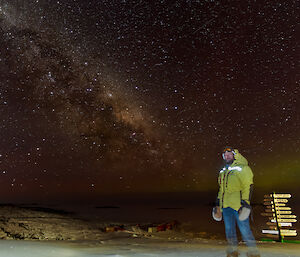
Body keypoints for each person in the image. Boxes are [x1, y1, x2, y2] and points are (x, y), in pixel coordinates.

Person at [213, 147, 260, 257]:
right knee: (229, 230)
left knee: (244, 229)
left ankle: (253, 252)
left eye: (229, 154)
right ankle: (232, 251)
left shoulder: (242, 167)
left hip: (238, 205)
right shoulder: (223, 171)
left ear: (235, 155)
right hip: (226, 206)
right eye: (225, 155)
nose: (227, 156)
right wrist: (217, 204)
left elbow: (247, 186)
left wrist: (245, 202)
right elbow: (221, 190)